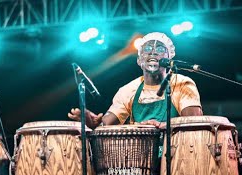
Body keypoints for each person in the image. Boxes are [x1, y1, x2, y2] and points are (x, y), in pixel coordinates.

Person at [68, 32, 203, 128]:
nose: (153, 52)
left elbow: (194, 124)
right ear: (139, 60)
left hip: (177, 157)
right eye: (147, 49)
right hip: (140, 160)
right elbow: (105, 125)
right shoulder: (128, 90)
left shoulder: (183, 83)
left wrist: (163, 126)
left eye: (160, 49)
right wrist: (93, 123)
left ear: (169, 59)